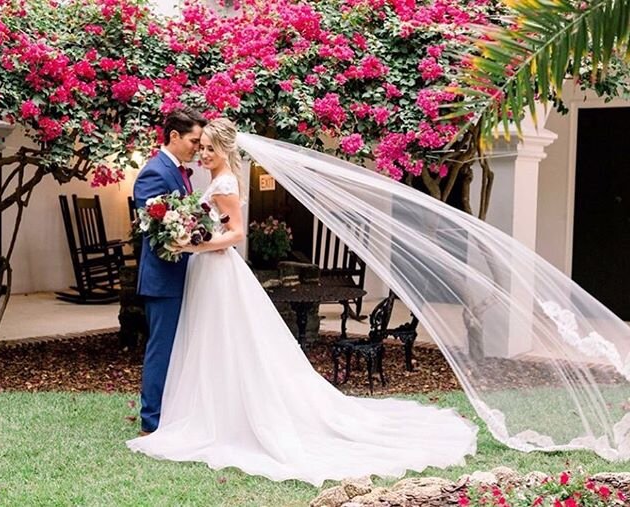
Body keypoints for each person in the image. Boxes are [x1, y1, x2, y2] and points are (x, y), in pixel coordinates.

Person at [127, 118, 477, 486]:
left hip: (213, 269)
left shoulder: (224, 182)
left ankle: (210, 416)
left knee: (224, 341)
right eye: (201, 146)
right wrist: (189, 241)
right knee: (203, 342)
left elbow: (235, 233)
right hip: (199, 273)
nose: (203, 152)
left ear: (225, 148)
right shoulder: (197, 177)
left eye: (209, 147)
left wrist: (193, 244)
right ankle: (190, 412)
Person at [133, 107, 205, 436]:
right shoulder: (155, 172)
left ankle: (172, 413)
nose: (197, 147)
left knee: (176, 348)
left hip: (180, 276)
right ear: (174, 136)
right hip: (163, 280)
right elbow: (155, 229)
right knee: (161, 348)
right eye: (193, 140)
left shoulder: (178, 171)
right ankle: (152, 422)